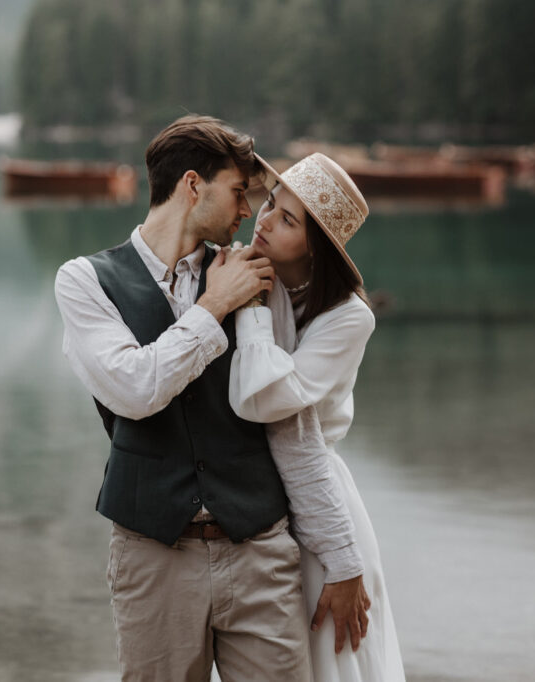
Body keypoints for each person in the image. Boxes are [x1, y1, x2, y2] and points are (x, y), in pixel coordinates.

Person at [54, 115, 370, 681]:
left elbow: (294, 432)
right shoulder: (84, 281)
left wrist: (343, 558)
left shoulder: (256, 277)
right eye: (239, 192)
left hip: (261, 553)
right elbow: (133, 390)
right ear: (193, 185)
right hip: (154, 556)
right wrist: (213, 307)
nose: (250, 212)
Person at [229, 152, 406, 681]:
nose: (264, 221)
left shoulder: (348, 318)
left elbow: (269, 400)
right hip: (254, 503)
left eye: (287, 220)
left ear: (315, 246)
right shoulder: (240, 271)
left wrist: (253, 310)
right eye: (270, 204)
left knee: (331, 656)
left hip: (320, 503)